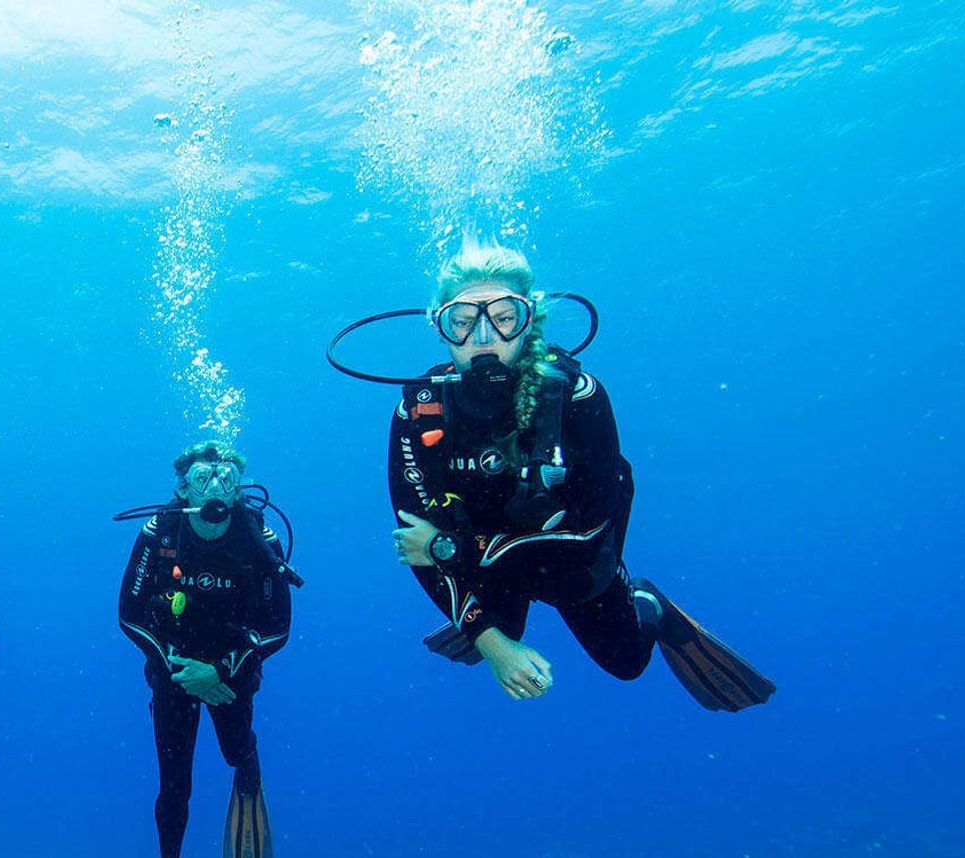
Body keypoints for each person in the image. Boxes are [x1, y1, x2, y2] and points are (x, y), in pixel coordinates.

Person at [385, 245, 773, 711]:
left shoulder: (577, 397)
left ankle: (649, 601)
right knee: (497, 627)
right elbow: (414, 542)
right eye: (463, 320)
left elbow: (587, 532)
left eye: (504, 317)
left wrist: (449, 548)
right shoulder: (417, 413)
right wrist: (492, 643)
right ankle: (493, 621)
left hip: (572, 567)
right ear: (440, 327)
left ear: (529, 321)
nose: (484, 336)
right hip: (488, 562)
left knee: (627, 663)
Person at [118, 441, 292, 858]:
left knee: (234, 749)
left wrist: (219, 670)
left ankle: (247, 764)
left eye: (227, 479)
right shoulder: (160, 532)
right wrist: (180, 671)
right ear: (183, 489)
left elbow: (278, 627)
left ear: (238, 490)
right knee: (174, 785)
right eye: (202, 478)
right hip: (173, 671)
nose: (215, 487)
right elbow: (129, 615)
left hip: (230, 674)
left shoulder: (258, 538)